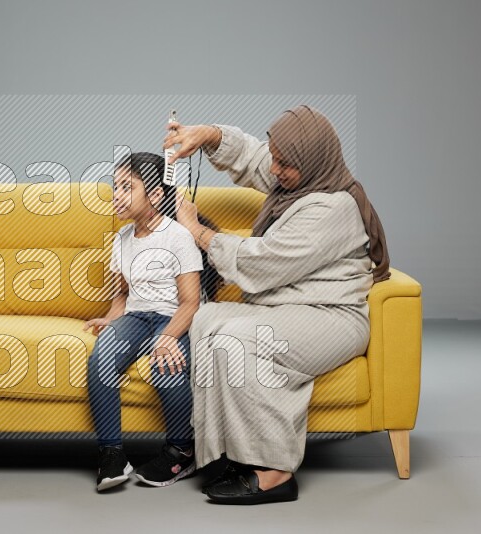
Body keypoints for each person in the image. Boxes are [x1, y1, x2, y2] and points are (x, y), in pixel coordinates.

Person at [163, 105, 391, 505]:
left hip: (331, 316)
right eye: (276, 157)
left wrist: (196, 231)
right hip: (290, 306)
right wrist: (208, 134)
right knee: (209, 320)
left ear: (312, 160)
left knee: (243, 339)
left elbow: (261, 263)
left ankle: (275, 471)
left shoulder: (332, 208)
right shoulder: (301, 180)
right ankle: (232, 453)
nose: (275, 168)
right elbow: (253, 158)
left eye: (285, 163)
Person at [83, 151, 212, 492]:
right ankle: (111, 453)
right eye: (115, 187)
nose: (117, 195)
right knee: (101, 359)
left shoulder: (178, 237)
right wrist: (111, 319)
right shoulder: (121, 239)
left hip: (173, 316)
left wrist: (168, 337)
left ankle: (182, 451)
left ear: (155, 194)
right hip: (137, 316)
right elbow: (122, 296)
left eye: (128, 187)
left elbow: (190, 302)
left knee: (164, 363)